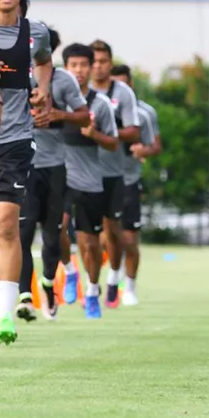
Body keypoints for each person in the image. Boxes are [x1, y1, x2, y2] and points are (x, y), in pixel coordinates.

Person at [0, 0, 53, 345]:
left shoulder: (35, 32)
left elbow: (45, 62)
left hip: (16, 141)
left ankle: (6, 315)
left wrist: (43, 92)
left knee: (7, 225)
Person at [17, 27, 90, 321]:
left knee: (52, 233)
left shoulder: (63, 81)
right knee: (21, 232)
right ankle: (24, 296)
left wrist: (60, 115)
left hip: (55, 166)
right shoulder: (12, 77)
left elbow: (84, 115)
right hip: (21, 164)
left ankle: (48, 284)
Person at [61, 43, 120, 318]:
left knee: (89, 242)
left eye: (84, 65)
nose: (80, 70)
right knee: (56, 229)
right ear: (66, 68)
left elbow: (113, 144)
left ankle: (93, 290)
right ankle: (70, 272)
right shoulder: (55, 98)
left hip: (89, 180)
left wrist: (94, 134)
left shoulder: (100, 103)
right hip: (59, 176)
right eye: (74, 65)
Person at [89, 40, 140, 308]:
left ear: (110, 63)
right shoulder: (78, 91)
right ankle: (91, 286)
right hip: (81, 172)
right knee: (88, 235)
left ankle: (114, 278)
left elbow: (134, 131)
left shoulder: (123, 93)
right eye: (93, 62)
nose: (98, 67)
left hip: (114, 172)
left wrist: (106, 133)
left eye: (103, 61)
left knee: (113, 231)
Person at [110, 64, 160, 306]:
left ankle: (129, 286)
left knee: (130, 238)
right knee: (105, 236)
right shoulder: (99, 107)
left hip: (129, 179)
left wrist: (143, 149)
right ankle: (112, 275)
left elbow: (155, 145)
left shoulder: (144, 113)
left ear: (130, 85)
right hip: (102, 180)